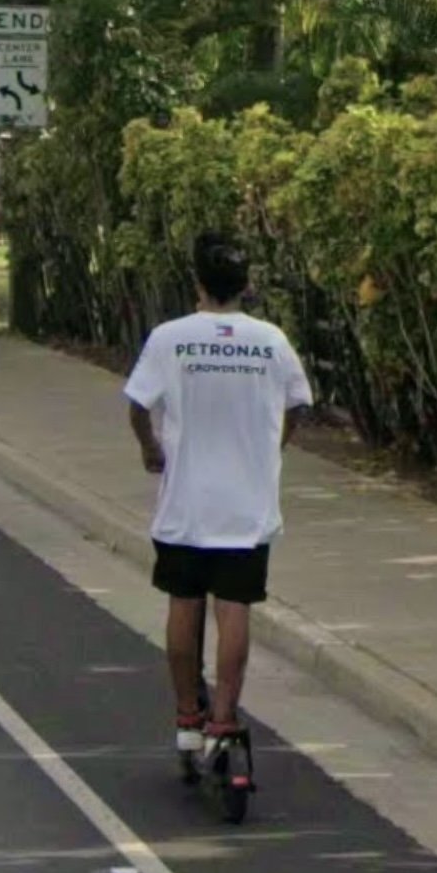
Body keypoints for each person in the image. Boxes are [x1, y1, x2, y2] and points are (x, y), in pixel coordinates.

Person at [124, 229, 312, 761]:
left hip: (186, 503)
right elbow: (298, 404)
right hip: (245, 507)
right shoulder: (271, 341)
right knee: (235, 610)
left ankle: (188, 715)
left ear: (197, 283)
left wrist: (150, 447)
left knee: (183, 604)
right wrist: (272, 449)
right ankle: (224, 720)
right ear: (246, 284)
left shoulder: (170, 337)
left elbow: (138, 404)